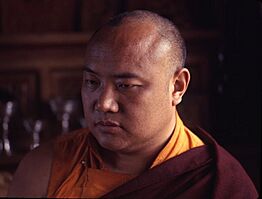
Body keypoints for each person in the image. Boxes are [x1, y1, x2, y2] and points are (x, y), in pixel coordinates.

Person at [7, 10, 258, 198]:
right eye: (92, 82)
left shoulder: (218, 183)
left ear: (178, 86)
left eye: (126, 85)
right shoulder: (45, 169)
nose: (104, 104)